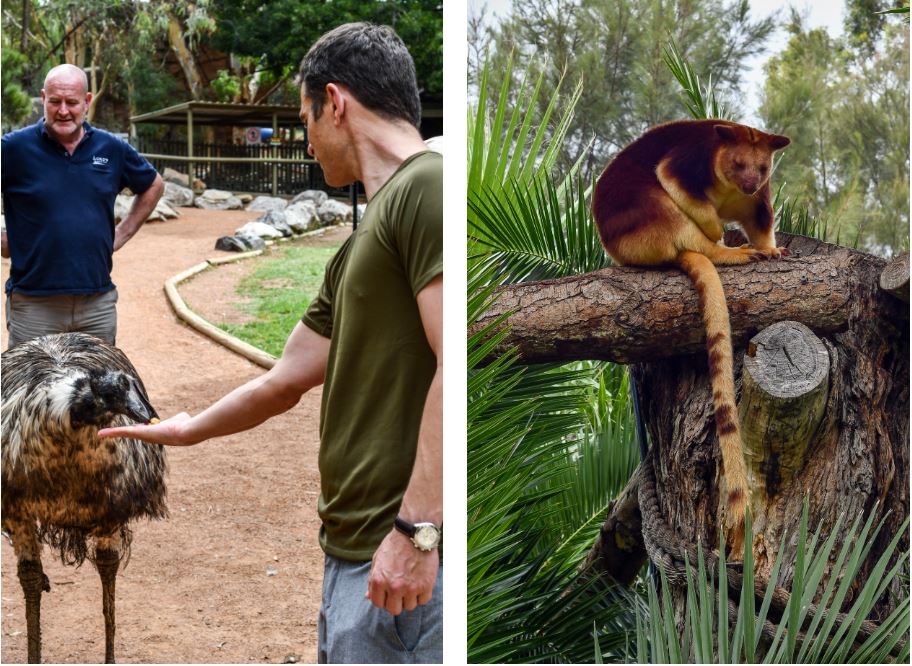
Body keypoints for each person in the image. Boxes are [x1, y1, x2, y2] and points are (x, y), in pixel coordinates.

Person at [100, 23, 442, 664]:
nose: (308, 142)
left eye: (305, 118)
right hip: (358, 550)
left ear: (334, 103)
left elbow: (458, 358)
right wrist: (186, 429)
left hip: (403, 554)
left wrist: (417, 533)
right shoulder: (363, 240)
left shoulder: (426, 188)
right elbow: (284, 378)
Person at [1, 63, 164, 348]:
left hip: (97, 304)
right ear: (43, 99)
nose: (63, 110)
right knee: (33, 393)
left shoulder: (111, 148)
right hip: (34, 306)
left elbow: (153, 184)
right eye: (55, 101)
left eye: (72, 102)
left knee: (98, 391)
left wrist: (122, 234)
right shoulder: (13, 149)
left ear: (86, 102)